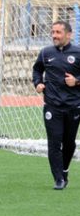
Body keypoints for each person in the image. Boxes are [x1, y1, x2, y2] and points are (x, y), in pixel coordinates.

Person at [32, 20, 80, 190]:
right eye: (53, 32)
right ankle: (58, 178)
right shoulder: (46, 53)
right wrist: (37, 83)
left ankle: (64, 170)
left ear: (69, 34)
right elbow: (37, 69)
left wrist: (76, 82)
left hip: (73, 106)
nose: (54, 36)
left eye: (58, 32)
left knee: (69, 143)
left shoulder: (78, 52)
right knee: (54, 142)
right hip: (52, 105)